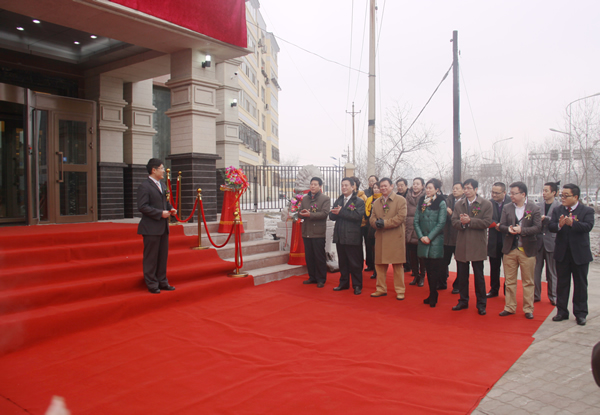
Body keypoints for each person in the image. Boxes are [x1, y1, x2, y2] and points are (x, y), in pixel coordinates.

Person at [549, 183, 595, 326]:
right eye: (562, 195)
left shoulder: (587, 210)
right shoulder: (558, 210)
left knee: (580, 284)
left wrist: (572, 223)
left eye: (566, 196)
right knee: (562, 284)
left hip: (580, 254)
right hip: (562, 253)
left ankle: (580, 313)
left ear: (575, 197)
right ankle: (561, 311)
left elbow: (588, 226)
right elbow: (551, 226)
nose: (562, 198)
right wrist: (559, 225)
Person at [497, 182, 542, 319]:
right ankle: (510, 307)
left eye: (514, 193)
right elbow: (502, 225)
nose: (511, 196)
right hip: (510, 249)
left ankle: (528, 308)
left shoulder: (534, 208)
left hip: (527, 250)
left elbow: (537, 228)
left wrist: (522, 230)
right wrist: (508, 229)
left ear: (523, 194)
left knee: (528, 281)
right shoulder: (507, 207)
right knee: (509, 280)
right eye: (510, 193)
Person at [451, 178, 493, 315]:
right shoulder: (459, 204)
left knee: (479, 276)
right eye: (465, 188)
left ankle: (481, 304)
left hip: (477, 244)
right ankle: (463, 301)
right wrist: (462, 223)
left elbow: (487, 222)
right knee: (462, 276)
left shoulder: (485, 204)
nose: (466, 191)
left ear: (476, 189)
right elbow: (454, 221)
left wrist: (470, 221)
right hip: (462, 243)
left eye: (469, 188)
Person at [137, 158, 177, 294]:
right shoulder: (144, 186)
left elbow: (165, 202)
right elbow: (142, 206)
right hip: (151, 228)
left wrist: (171, 209)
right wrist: (160, 213)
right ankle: (152, 283)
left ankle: (162, 281)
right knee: (151, 257)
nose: (164, 171)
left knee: (162, 257)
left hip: (163, 227)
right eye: (161, 168)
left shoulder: (163, 185)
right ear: (153, 170)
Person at [369, 178, 407, 300]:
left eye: (385, 186)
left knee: (397, 266)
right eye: (381, 186)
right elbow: (372, 218)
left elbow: (400, 218)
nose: (383, 188)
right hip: (381, 236)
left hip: (395, 237)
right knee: (379, 265)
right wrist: (375, 223)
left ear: (391, 186)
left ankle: (400, 290)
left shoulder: (400, 200)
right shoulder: (377, 202)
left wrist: (384, 223)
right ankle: (380, 289)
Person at [330, 177, 366, 295]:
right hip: (340, 236)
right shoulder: (339, 200)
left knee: (355, 263)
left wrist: (341, 212)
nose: (344, 187)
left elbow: (357, 216)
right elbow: (332, 216)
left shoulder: (358, 201)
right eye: (342, 185)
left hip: (352, 237)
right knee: (343, 262)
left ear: (352, 187)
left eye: (346, 185)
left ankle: (357, 285)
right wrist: (335, 212)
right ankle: (344, 283)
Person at [414, 179, 447, 307]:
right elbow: (416, 220)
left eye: (430, 188)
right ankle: (431, 293)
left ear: (437, 190)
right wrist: (421, 236)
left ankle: (434, 294)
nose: (428, 190)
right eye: (427, 188)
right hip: (423, 239)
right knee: (427, 268)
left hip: (435, 240)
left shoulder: (441, 202)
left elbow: (441, 222)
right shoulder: (422, 201)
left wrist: (429, 237)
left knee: (434, 269)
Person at [300, 177, 331, 288]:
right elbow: (299, 213)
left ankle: (321, 279)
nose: (312, 186)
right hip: (307, 231)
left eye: (315, 184)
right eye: (311, 184)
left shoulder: (325, 199)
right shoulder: (305, 199)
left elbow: (324, 214)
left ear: (320, 186)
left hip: (318, 232)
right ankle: (312, 277)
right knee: (309, 256)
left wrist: (311, 215)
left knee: (319, 256)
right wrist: (302, 213)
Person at [534, 181, 561, 305]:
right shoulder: (537, 206)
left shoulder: (559, 207)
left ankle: (553, 296)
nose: (544, 193)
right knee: (536, 271)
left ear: (553, 192)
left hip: (552, 242)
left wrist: (547, 219)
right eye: (543, 191)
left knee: (552, 272)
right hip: (538, 242)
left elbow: (559, 223)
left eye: (546, 191)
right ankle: (536, 295)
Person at [487, 182, 510, 298]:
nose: (494, 195)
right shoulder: (489, 203)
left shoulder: (511, 202)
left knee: (509, 268)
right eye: (493, 192)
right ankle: (494, 289)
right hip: (494, 239)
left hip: (508, 239)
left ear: (504, 192)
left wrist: (503, 226)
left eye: (497, 193)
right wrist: (496, 224)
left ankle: (508, 291)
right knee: (494, 267)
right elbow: (485, 218)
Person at [443, 182, 464, 293]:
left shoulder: (465, 202)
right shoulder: (448, 200)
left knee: (460, 263)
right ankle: (442, 282)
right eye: (453, 188)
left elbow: (462, 219)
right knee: (443, 261)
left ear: (463, 190)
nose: (454, 190)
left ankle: (458, 285)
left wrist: (452, 214)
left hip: (459, 237)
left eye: (457, 188)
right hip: (447, 236)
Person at [405, 178, 426, 286]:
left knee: (421, 256)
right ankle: (415, 275)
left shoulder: (426, 198)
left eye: (418, 184)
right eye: (414, 184)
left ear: (423, 186)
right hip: (409, 228)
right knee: (412, 255)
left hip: (420, 229)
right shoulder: (407, 197)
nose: (415, 186)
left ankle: (422, 276)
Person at [364, 182, 382, 279]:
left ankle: (380, 270)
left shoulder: (384, 199)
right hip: (371, 227)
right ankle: (375, 270)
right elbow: (367, 213)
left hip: (381, 227)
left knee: (379, 251)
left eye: (378, 188)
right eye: (374, 188)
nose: (376, 189)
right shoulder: (370, 199)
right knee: (372, 249)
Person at [396, 178, 411, 273]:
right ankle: (405, 264)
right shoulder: (396, 196)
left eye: (402, 185)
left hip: (409, 222)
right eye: (398, 186)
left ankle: (411, 265)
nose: (400, 187)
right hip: (398, 223)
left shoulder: (410, 195)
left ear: (406, 186)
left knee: (409, 245)